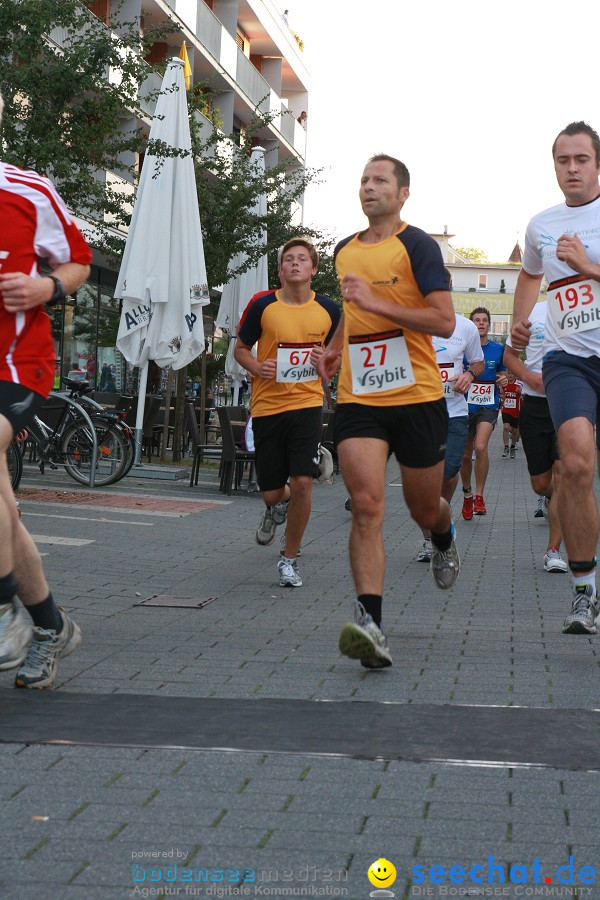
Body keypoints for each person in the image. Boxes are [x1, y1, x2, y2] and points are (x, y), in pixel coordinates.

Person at [316, 154, 457, 670]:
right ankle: (370, 625)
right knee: (368, 505)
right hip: (360, 399)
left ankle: (442, 535)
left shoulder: (417, 245)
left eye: (380, 180)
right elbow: (354, 315)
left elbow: (443, 321)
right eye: (363, 180)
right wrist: (334, 346)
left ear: (402, 194)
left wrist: (379, 302)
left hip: (417, 396)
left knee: (425, 510)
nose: (369, 187)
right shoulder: (344, 250)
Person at [0, 90, 92, 687]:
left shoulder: (27, 189)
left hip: (15, 365)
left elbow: (79, 263)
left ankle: (4, 607)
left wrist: (47, 290)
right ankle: (50, 623)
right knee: (5, 508)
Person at [511, 120, 600, 634]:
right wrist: (520, 323)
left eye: (580, 159)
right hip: (568, 360)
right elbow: (529, 274)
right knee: (576, 464)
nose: (571, 168)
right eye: (563, 160)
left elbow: (581, 269)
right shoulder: (541, 224)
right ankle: (585, 589)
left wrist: (588, 265)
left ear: (596, 163)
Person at [234, 238, 340, 588]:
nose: (295, 264)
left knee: (304, 482)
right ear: (280, 270)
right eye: (289, 260)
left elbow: (339, 360)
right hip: (267, 406)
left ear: (313, 269)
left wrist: (325, 360)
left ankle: (289, 558)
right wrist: (256, 366)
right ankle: (277, 505)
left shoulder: (329, 310)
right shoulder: (263, 305)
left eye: (302, 259)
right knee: (270, 491)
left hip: (308, 405)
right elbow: (240, 349)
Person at [505, 302, 568, 574]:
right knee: (541, 484)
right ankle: (560, 498)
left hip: (569, 402)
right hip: (535, 404)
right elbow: (510, 356)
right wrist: (529, 378)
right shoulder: (532, 311)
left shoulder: (588, 305)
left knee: (565, 474)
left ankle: (553, 550)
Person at [416, 314, 484, 562]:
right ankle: (429, 540)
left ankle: (439, 520)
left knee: (449, 472)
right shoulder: (411, 322)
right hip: (420, 415)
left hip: (454, 413)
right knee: (423, 481)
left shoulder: (465, 327)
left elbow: (478, 362)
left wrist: (469, 376)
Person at [460, 307, 507, 519]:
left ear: (489, 325)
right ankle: (467, 494)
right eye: (477, 320)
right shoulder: (463, 349)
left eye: (484, 320)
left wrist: (504, 379)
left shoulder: (498, 349)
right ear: (471, 324)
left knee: (480, 447)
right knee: (464, 455)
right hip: (464, 405)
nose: (481, 323)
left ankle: (479, 495)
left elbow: (503, 373)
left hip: (488, 403)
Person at [500, 373, 522, 459]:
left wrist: (520, 391)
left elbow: (526, 393)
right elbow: (500, 393)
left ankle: (512, 446)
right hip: (506, 409)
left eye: (512, 374)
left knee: (515, 431)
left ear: (515, 375)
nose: (510, 376)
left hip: (516, 410)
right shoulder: (504, 384)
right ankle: (506, 447)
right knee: (506, 427)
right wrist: (502, 397)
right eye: (509, 374)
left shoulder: (520, 384)